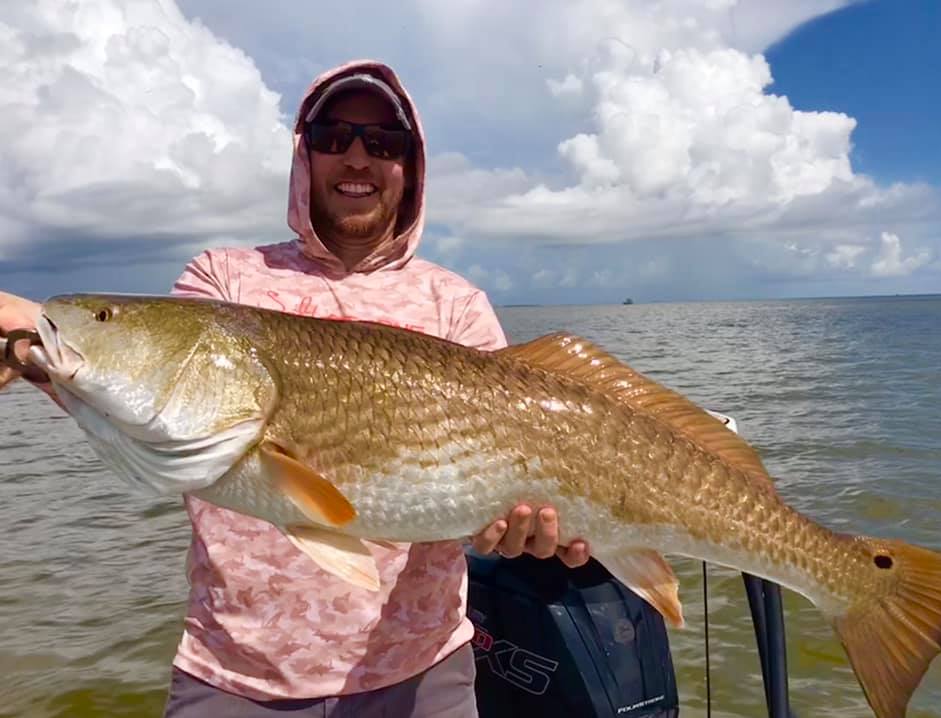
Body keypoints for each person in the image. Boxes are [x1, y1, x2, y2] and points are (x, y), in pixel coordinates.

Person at [0, 60, 590, 717]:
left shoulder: (457, 305)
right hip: (232, 680)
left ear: (412, 165)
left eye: (384, 142)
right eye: (334, 137)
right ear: (304, 156)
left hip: (423, 677)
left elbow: (480, 517)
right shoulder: (223, 280)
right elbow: (158, 409)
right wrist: (34, 345)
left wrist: (518, 533)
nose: (358, 157)